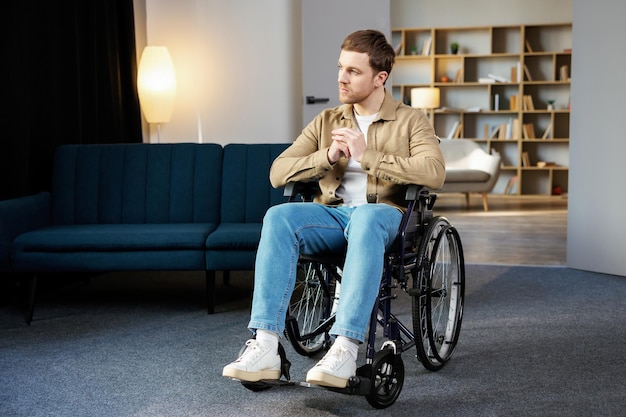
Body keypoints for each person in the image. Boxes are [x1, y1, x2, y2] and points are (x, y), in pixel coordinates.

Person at [222, 29, 445, 389]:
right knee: (278, 216)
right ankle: (265, 344)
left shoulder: (410, 121)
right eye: (341, 67)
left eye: (353, 71)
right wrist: (326, 157)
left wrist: (366, 156)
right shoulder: (327, 121)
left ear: (380, 77)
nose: (341, 77)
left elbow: (434, 172)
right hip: (334, 216)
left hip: (383, 215)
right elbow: (278, 173)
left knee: (368, 218)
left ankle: (344, 348)